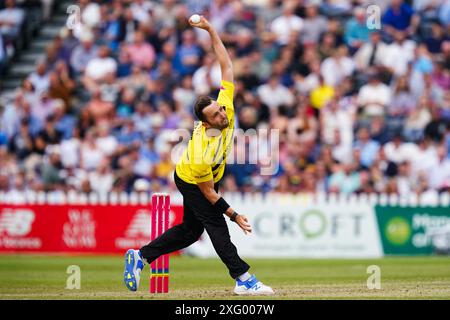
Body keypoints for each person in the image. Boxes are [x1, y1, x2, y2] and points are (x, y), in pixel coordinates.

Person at [123, 15, 274, 296]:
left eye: (220, 109)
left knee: (190, 232)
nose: (222, 114)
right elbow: (209, 194)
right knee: (216, 225)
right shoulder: (201, 151)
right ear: (205, 124)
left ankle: (140, 257)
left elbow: (226, 65)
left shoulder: (225, 106)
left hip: (208, 178)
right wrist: (235, 214)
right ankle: (243, 278)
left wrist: (211, 30)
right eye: (215, 115)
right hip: (192, 180)